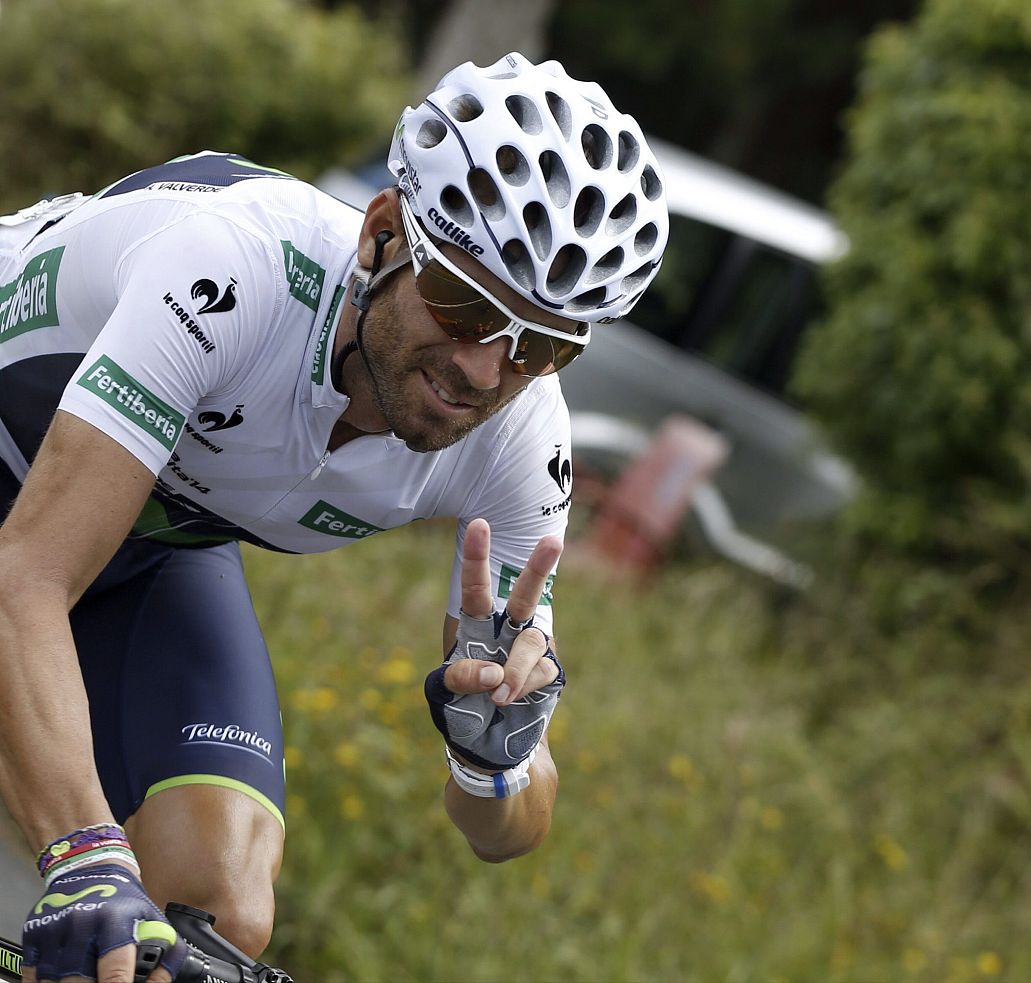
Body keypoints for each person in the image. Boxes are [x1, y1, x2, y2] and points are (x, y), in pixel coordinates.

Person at [0, 52, 668, 982]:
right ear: (384, 234)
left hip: (154, 539)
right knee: (93, 885)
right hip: (21, 482)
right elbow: (24, 575)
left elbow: (510, 833)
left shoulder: (521, 440)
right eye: (463, 304)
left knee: (210, 917)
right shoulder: (233, 271)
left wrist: (497, 760)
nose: (485, 370)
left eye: (543, 344)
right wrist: (82, 854)